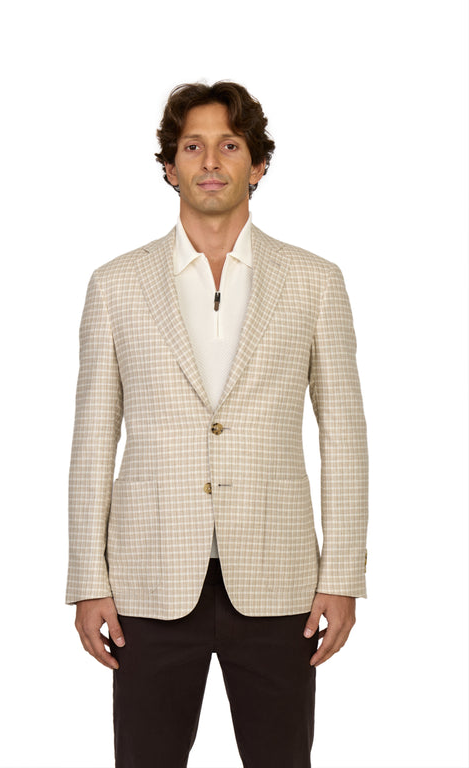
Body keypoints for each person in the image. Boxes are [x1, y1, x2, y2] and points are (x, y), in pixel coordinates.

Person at [65, 80, 368, 768]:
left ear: (257, 165)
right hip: (147, 580)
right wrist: (88, 579)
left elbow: (345, 436)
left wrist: (343, 572)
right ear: (170, 167)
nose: (209, 161)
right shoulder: (115, 285)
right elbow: (92, 440)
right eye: (192, 146)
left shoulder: (315, 282)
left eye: (229, 146)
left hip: (280, 578)